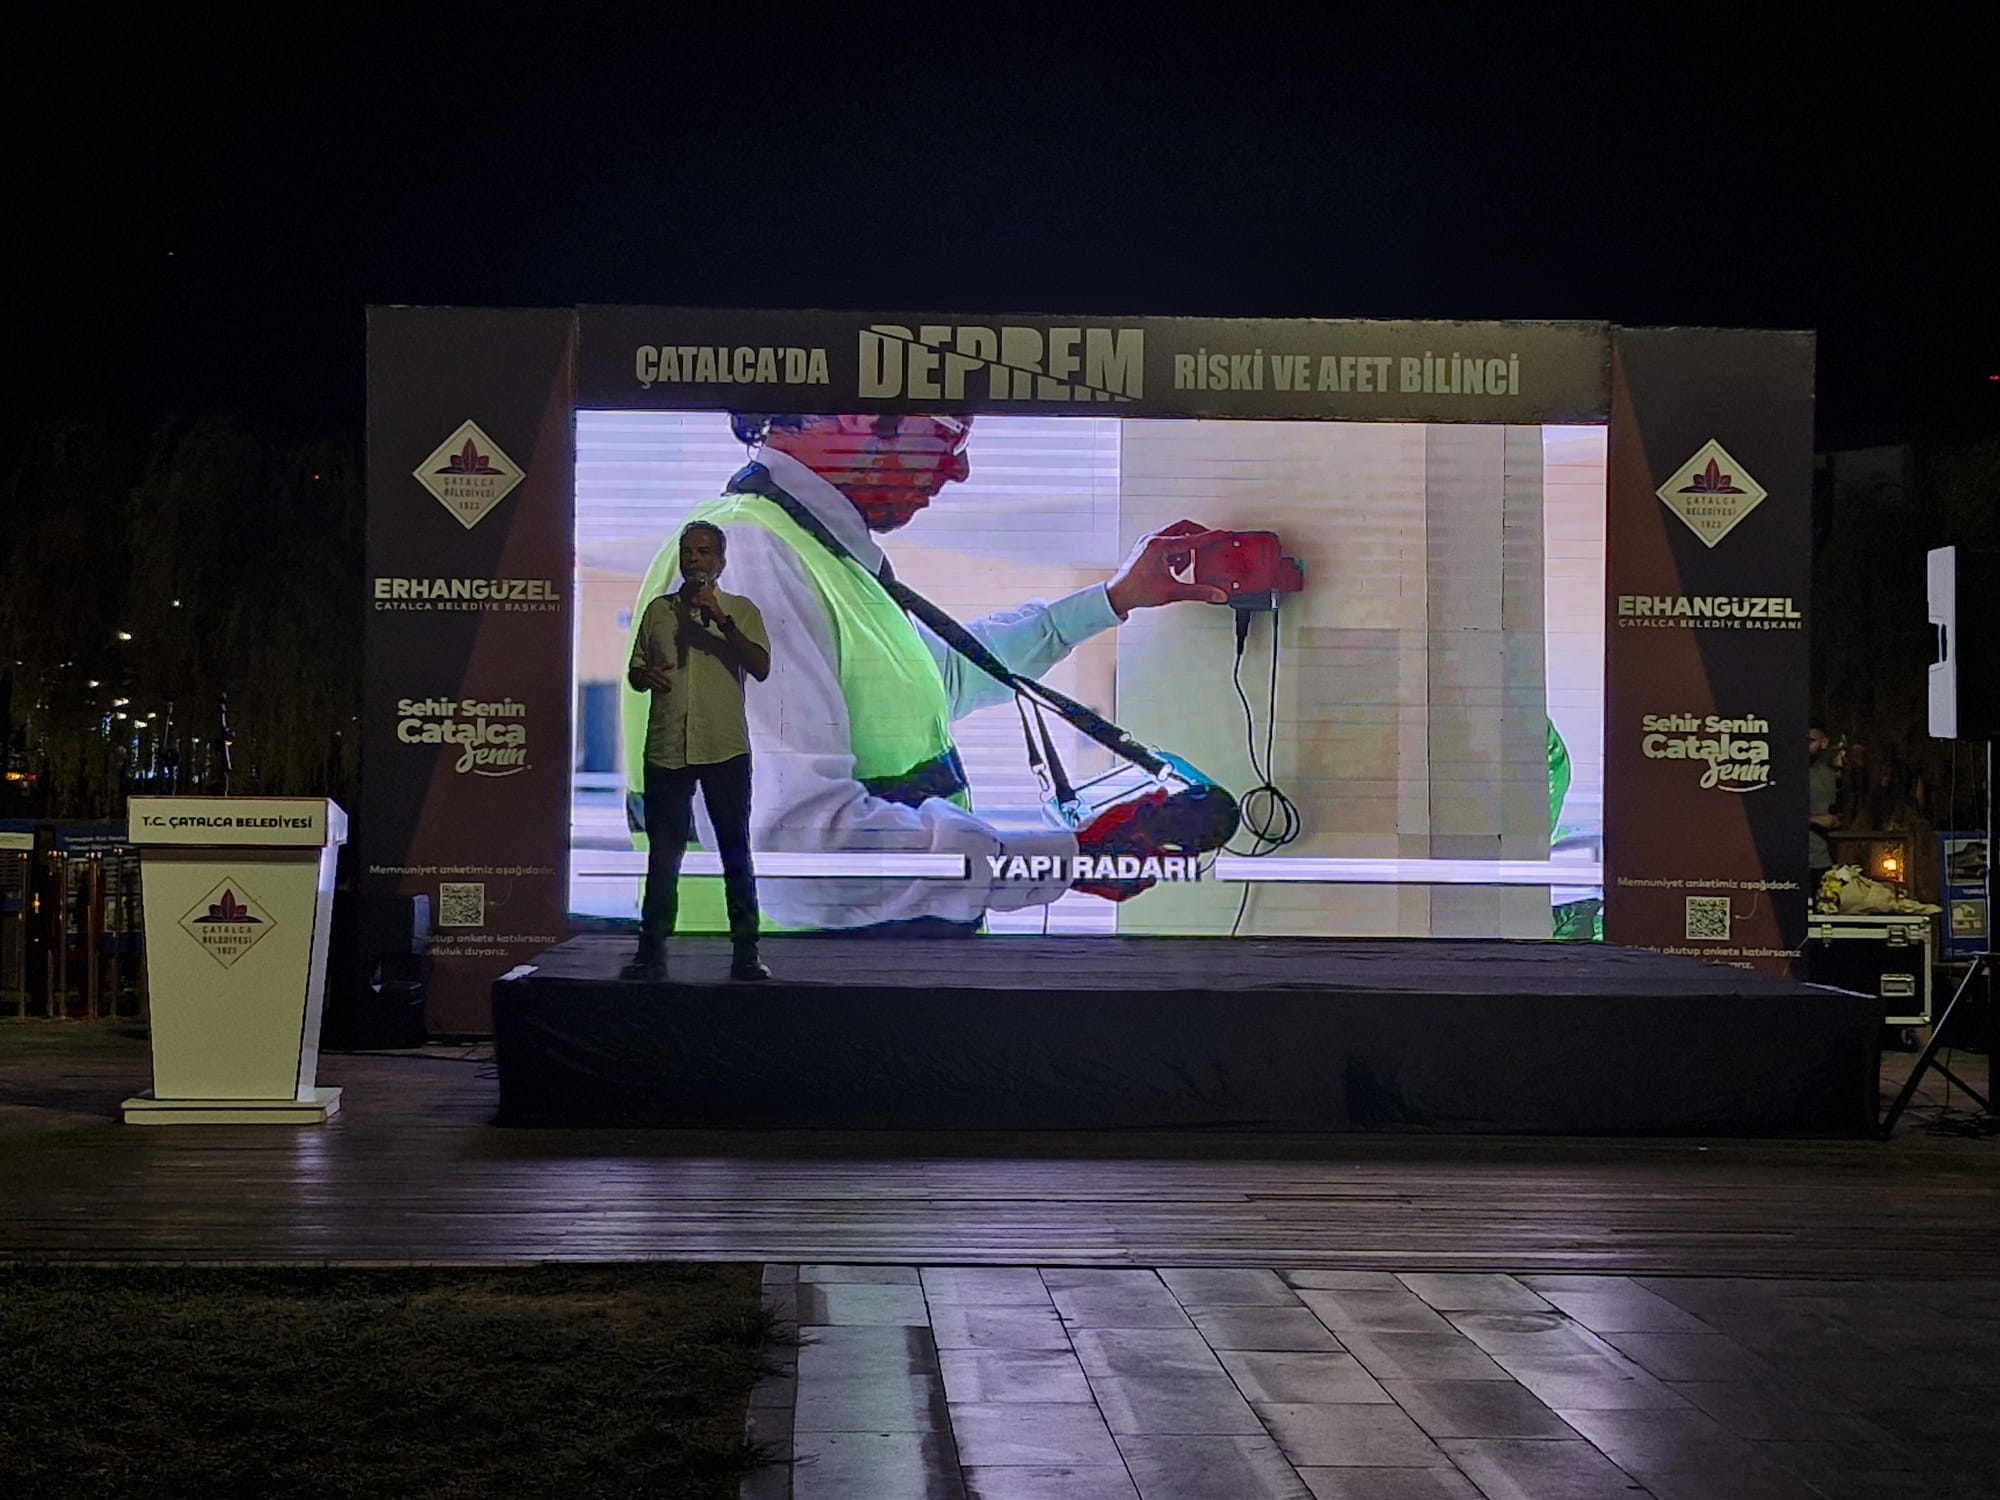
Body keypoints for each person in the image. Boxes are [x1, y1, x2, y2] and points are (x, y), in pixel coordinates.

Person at [620, 413, 1227, 935]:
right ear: (853, 411)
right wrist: (1058, 860)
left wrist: (1114, 599)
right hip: (801, 996)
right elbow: (801, 854)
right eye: (948, 432)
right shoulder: (749, 560)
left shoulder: (803, 546)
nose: (958, 468)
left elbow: (932, 682)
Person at [624, 521, 772, 981]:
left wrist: (720, 620)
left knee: (734, 850)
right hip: (667, 746)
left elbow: (761, 666)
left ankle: (746, 952)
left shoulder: (740, 610)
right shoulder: (658, 611)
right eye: (688, 551)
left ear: (720, 562)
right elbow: (636, 669)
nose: (694, 560)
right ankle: (651, 951)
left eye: (704, 552)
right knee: (663, 855)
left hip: (723, 746)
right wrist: (644, 676)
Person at [1807, 720, 1841, 898]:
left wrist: (1835, 820)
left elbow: (1840, 812)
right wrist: (1813, 819)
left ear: (1824, 742)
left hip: (1822, 859)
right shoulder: (1786, 773)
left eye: (1810, 741)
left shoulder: (1830, 776)